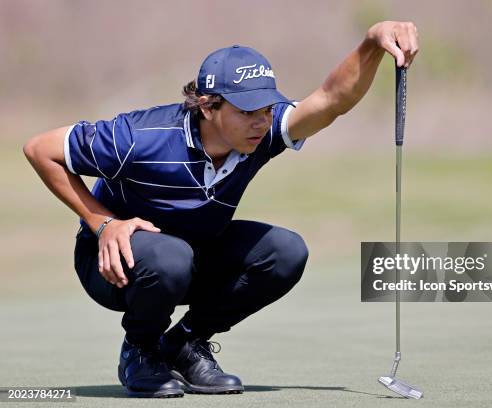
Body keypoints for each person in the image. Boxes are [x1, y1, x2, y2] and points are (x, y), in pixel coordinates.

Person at [23, 20, 419, 398]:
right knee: (170, 257)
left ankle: (183, 343)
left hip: (192, 253)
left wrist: (371, 42)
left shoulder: (261, 135)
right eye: (247, 111)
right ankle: (140, 351)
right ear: (208, 107)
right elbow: (40, 149)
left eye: (266, 109)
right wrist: (102, 223)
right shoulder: (138, 138)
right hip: (113, 263)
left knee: (285, 252)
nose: (261, 122)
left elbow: (333, 99)